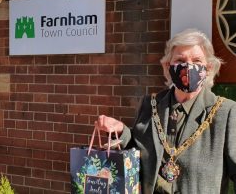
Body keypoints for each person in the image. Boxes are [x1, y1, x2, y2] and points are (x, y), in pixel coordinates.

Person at [96, 28, 236, 194]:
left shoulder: (226, 112)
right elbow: (138, 153)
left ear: (208, 67)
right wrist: (121, 131)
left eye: (197, 61)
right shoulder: (150, 104)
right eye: (180, 60)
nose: (188, 66)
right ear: (168, 66)